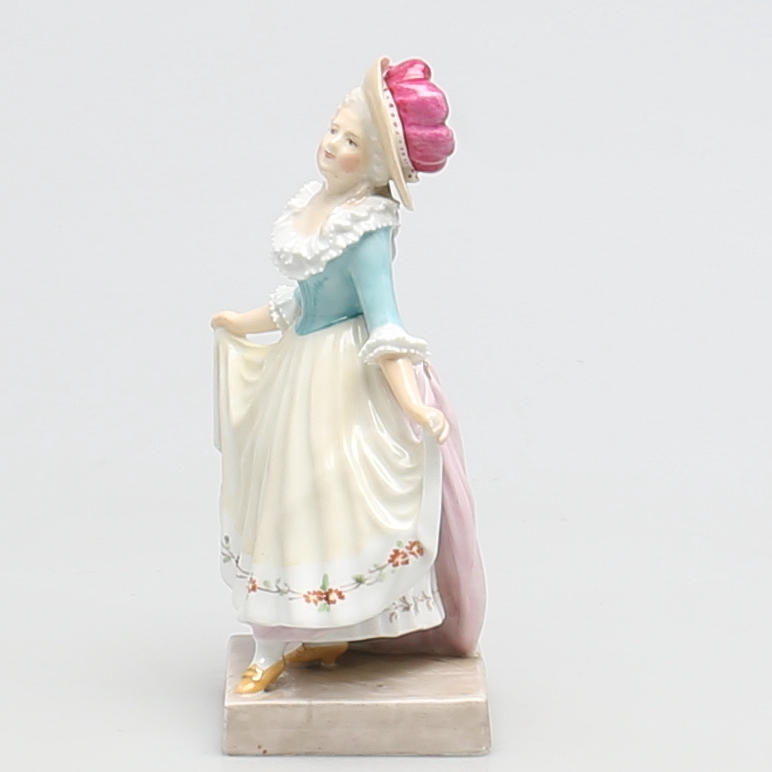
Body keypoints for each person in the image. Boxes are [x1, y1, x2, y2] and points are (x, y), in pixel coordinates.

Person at [211, 57, 485, 694]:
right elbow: (304, 298)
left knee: (323, 501)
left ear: (378, 165)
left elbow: (383, 322)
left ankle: (301, 635)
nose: (333, 144)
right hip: (298, 371)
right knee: (286, 500)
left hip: (342, 380)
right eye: (335, 129)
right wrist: (245, 321)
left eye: (352, 140)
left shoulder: (369, 228)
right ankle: (296, 633)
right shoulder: (317, 205)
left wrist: (412, 404)